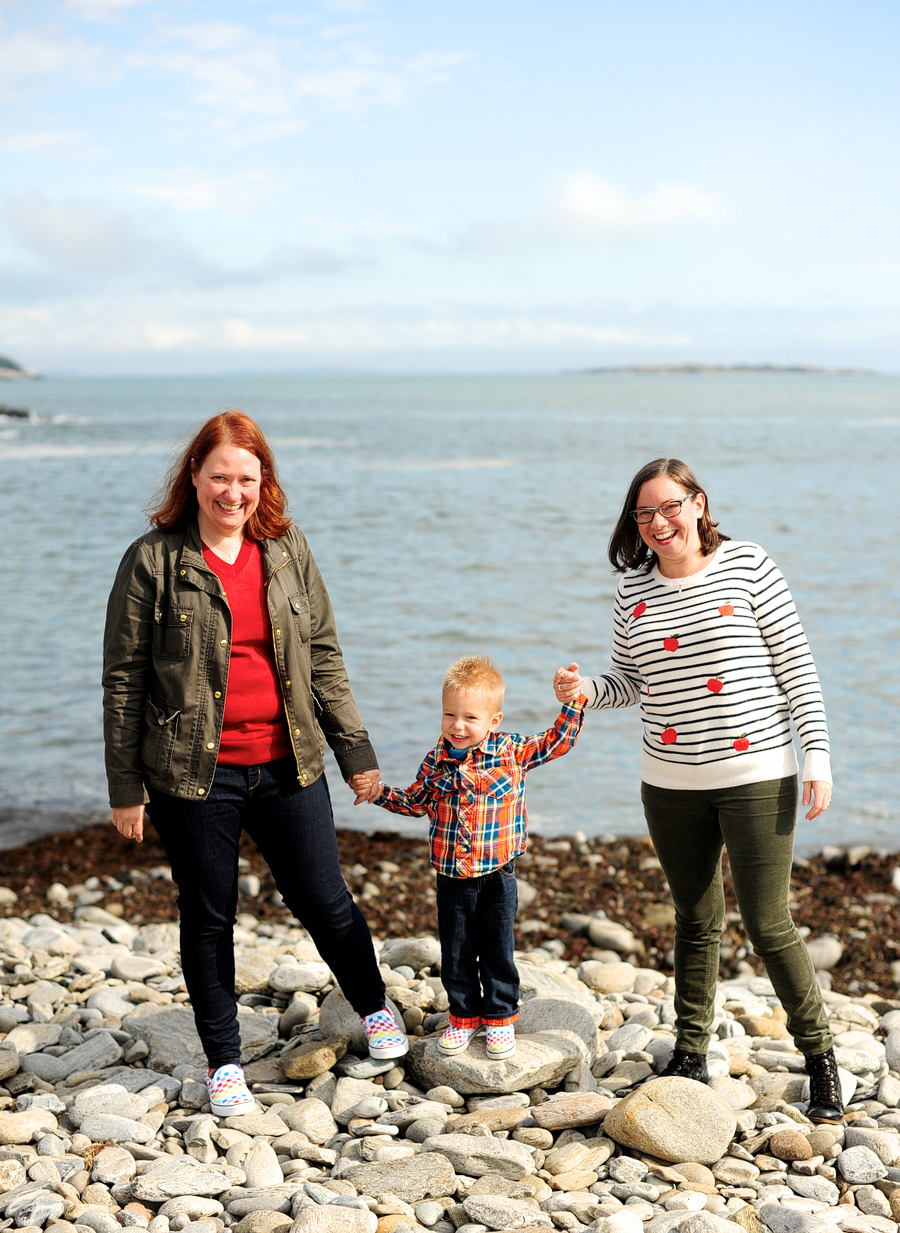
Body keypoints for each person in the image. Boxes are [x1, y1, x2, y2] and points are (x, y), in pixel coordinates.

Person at [103, 410, 407, 1118]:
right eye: (219, 477)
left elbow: (323, 654)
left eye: (246, 477)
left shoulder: (286, 547)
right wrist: (126, 787)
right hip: (190, 774)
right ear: (195, 478)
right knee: (208, 917)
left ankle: (374, 1007)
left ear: (262, 480)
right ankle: (225, 1062)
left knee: (325, 899)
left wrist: (354, 752)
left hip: (289, 762)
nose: (232, 492)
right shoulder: (153, 559)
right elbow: (125, 679)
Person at [554, 457, 843, 1124]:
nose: (658, 522)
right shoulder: (633, 590)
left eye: (670, 506)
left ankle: (822, 1058)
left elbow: (797, 666)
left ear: (698, 502)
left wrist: (818, 757)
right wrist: (585, 690)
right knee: (694, 918)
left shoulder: (749, 565)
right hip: (670, 781)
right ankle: (690, 1051)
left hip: (758, 775)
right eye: (644, 513)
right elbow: (630, 680)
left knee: (769, 924)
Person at [353, 655, 583, 1060]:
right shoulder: (435, 759)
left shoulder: (511, 751)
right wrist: (380, 793)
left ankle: (498, 1017)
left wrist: (572, 700)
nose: (458, 726)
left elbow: (557, 741)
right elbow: (415, 802)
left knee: (497, 947)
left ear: (493, 720)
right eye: (449, 715)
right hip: (451, 874)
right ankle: (462, 1016)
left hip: (498, 872)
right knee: (456, 948)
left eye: (470, 718)